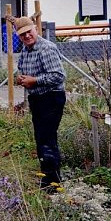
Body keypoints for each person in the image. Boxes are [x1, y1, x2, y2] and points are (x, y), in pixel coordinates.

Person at [15, 16, 66, 191]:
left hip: (51, 98)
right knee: (41, 139)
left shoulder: (46, 48)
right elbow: (22, 68)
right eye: (22, 35)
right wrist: (21, 78)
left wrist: (34, 81)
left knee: (47, 139)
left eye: (29, 32)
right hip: (37, 99)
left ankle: (53, 184)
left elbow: (58, 76)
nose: (27, 36)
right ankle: (48, 179)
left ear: (35, 28)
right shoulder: (26, 49)